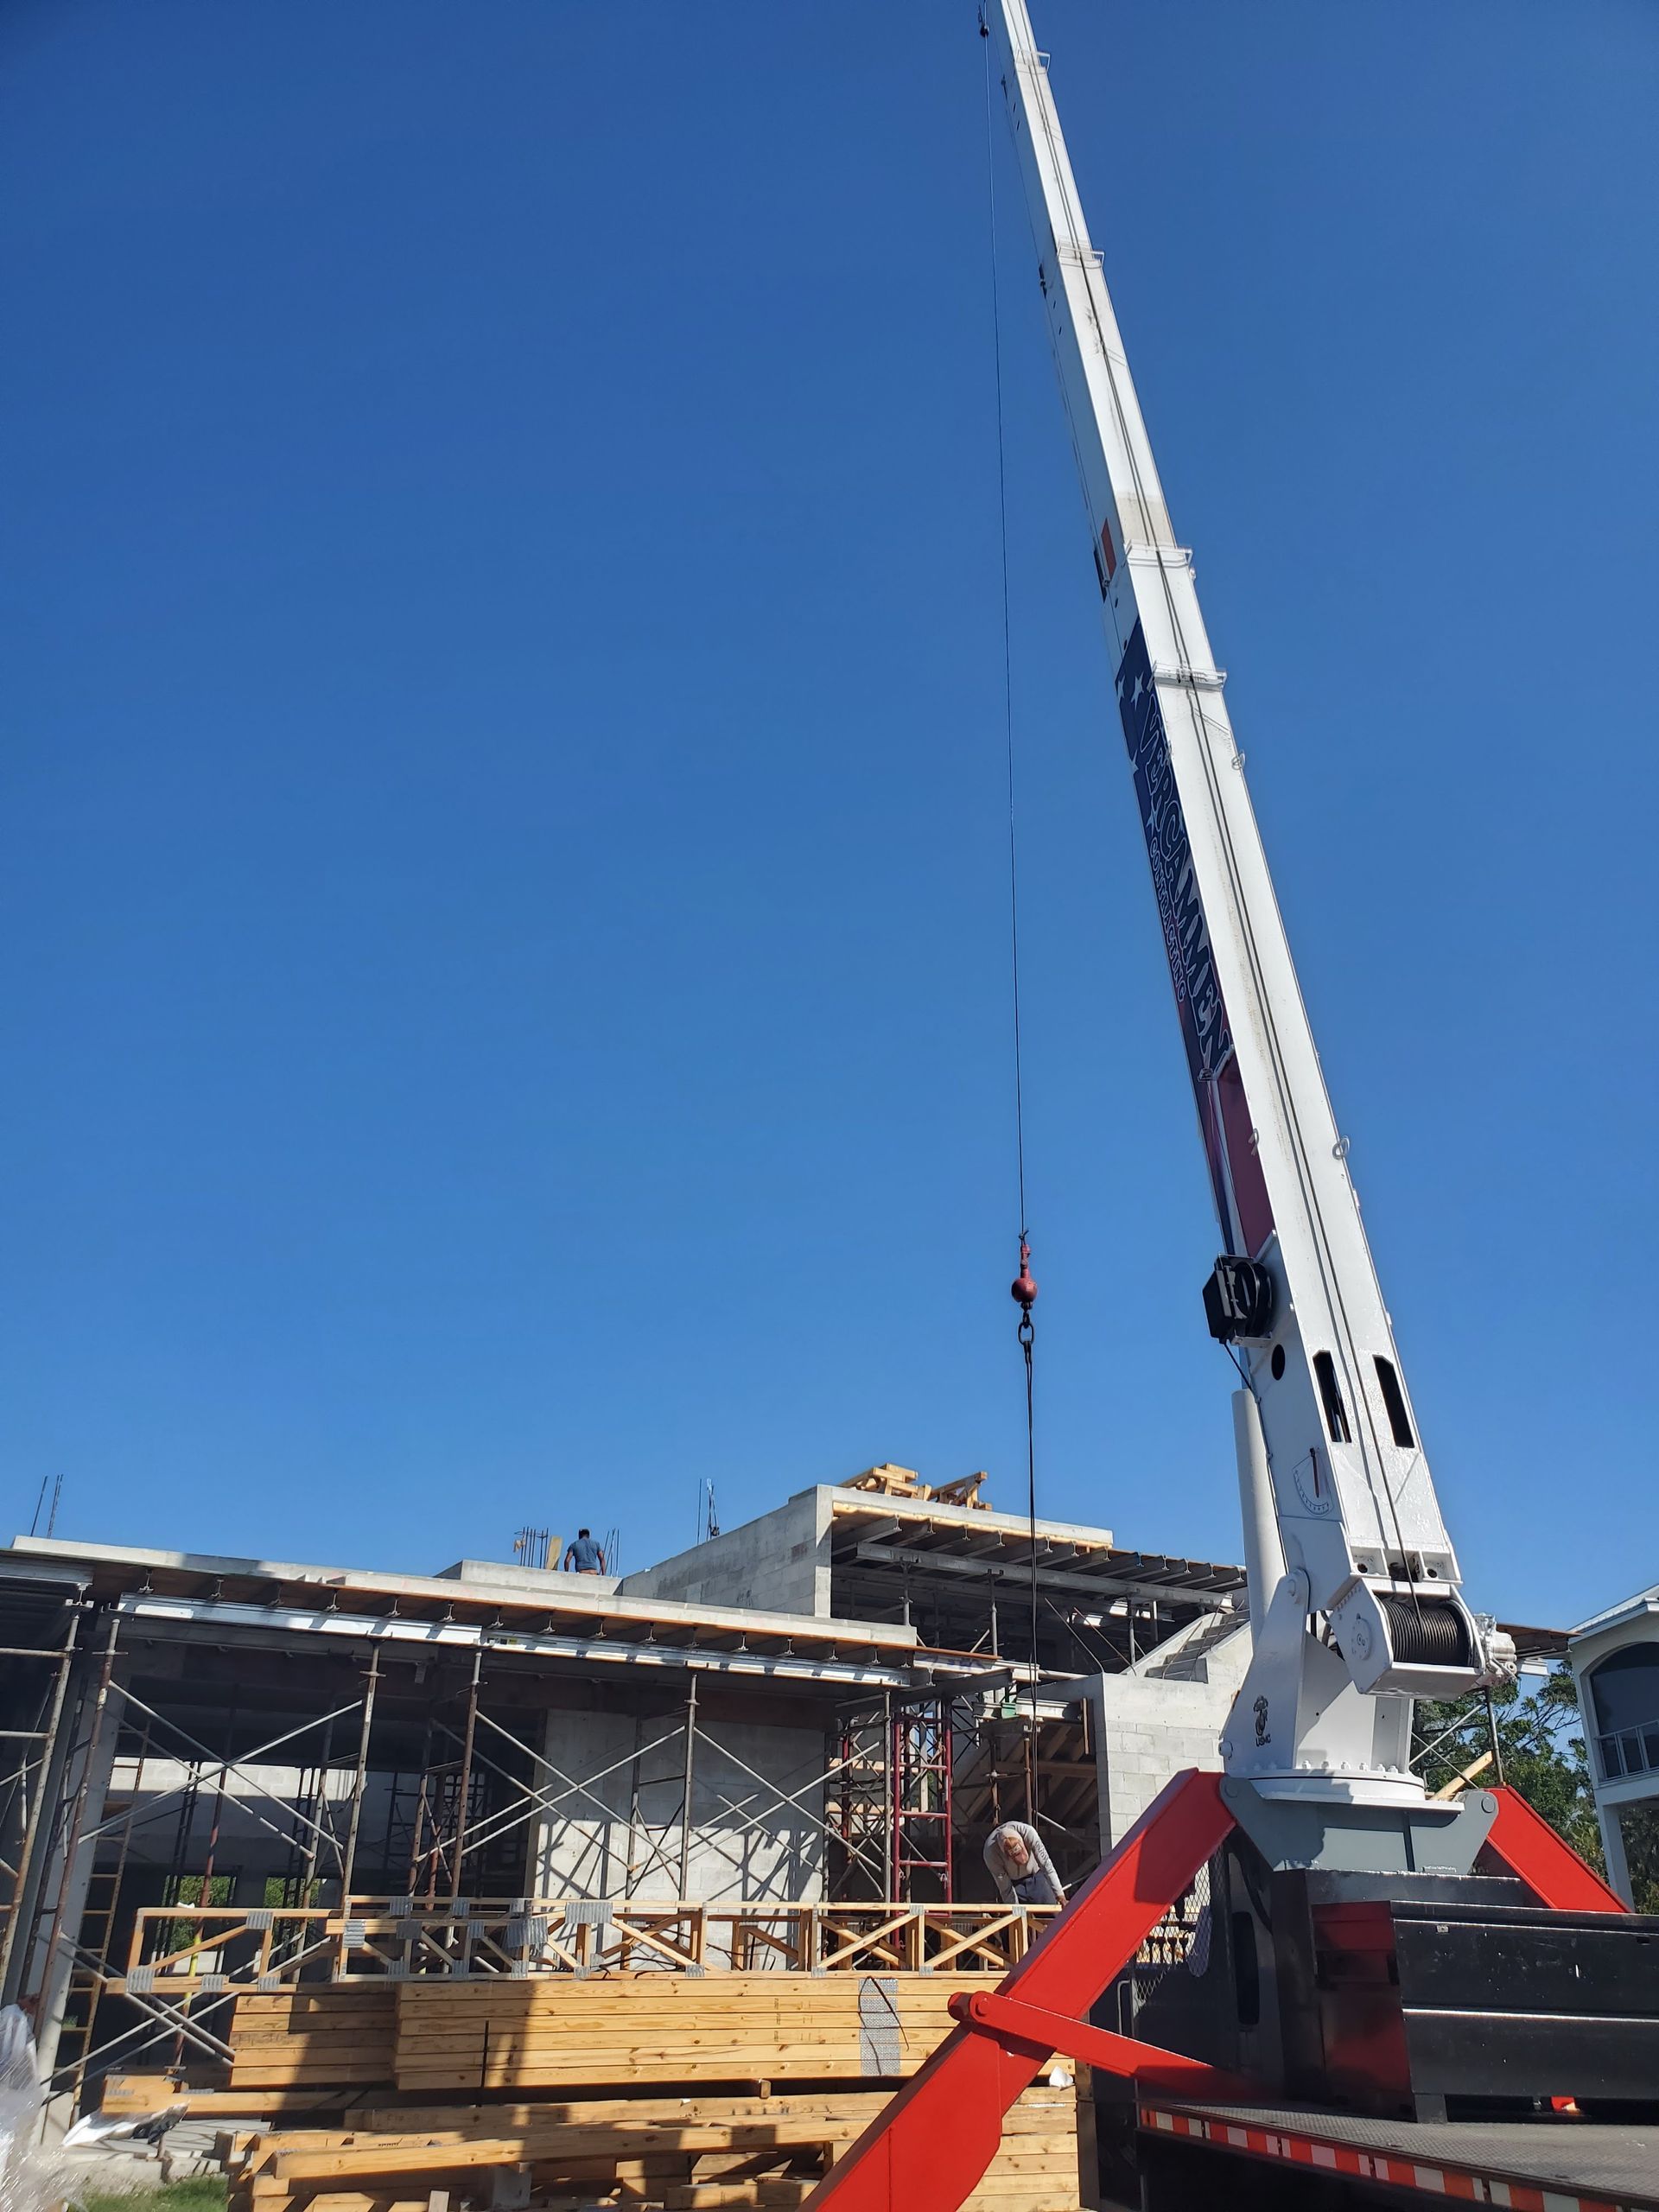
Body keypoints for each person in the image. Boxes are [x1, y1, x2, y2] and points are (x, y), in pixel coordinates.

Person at [983, 1819, 1065, 1906]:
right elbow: (1004, 1887)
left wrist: (1060, 1895)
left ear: (1023, 1842)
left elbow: (1046, 1865)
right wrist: (1014, 1910)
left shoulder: (1029, 1833)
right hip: (1014, 1885)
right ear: (1008, 1856)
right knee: (1019, 1915)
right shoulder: (990, 1853)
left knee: (1052, 1913)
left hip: (1036, 1877)